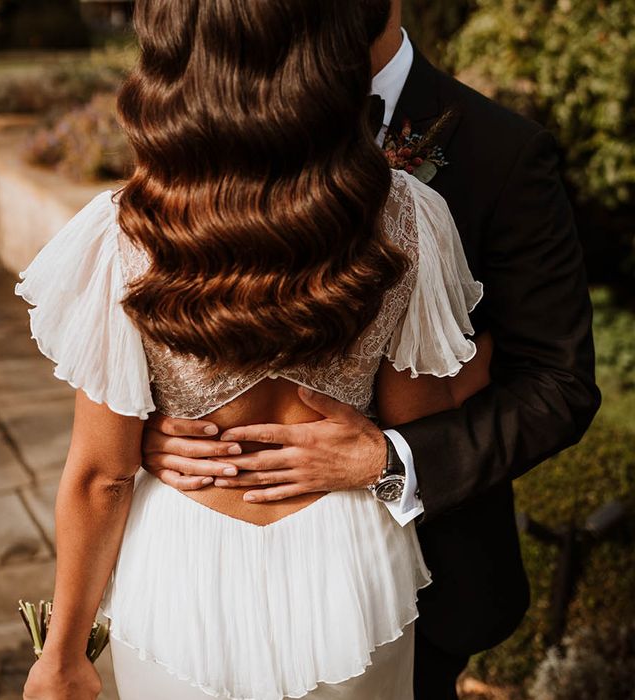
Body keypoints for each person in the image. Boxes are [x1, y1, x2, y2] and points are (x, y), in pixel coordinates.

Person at [141, 1, 602, 698]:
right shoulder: (210, 112)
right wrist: (150, 427)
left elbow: (558, 384)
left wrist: (393, 460)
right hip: (215, 573)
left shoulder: (499, 151)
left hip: (427, 580)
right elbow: (155, 303)